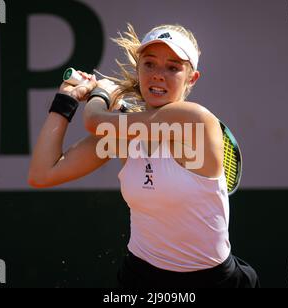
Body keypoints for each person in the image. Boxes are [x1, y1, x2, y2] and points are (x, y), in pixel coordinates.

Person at [28, 23, 259, 288]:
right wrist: (65, 100)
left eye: (173, 67)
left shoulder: (196, 120)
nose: (158, 75)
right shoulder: (124, 136)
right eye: (149, 64)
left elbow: (94, 120)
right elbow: (42, 173)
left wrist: (103, 92)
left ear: (191, 78)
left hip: (213, 283)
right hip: (140, 279)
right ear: (139, 69)